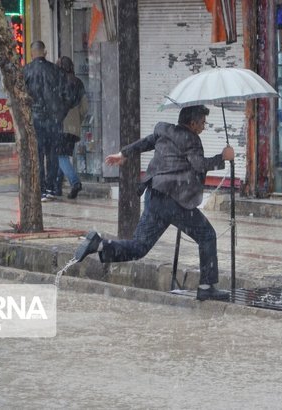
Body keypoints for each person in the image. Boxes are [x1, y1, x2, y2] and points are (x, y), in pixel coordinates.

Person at [74, 105, 235, 301]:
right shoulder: (192, 139)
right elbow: (199, 165)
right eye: (202, 123)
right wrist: (223, 158)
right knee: (207, 235)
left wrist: (123, 154)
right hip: (174, 200)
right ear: (192, 123)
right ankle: (207, 286)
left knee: (139, 247)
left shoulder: (164, 131)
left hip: (155, 195)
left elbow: (145, 143)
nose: (203, 127)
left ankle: (98, 245)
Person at [23, 40, 74, 201]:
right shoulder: (56, 71)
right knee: (53, 154)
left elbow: (21, 97)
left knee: (37, 155)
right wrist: (60, 113)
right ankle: (51, 187)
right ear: (44, 52)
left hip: (36, 119)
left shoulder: (26, 71)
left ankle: (42, 189)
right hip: (54, 120)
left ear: (32, 53)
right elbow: (68, 96)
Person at [55, 56, 87, 199]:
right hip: (74, 127)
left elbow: (53, 104)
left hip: (60, 125)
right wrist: (77, 120)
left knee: (60, 156)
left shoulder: (57, 82)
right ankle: (57, 187)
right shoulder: (78, 83)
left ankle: (75, 182)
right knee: (63, 156)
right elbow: (85, 107)